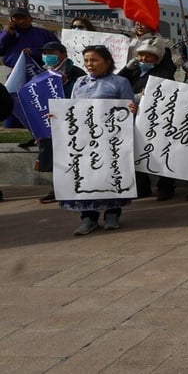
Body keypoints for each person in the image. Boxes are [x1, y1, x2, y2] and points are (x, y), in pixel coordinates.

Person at [58, 45, 137, 235]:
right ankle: (88, 217)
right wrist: (57, 116)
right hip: (84, 138)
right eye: (86, 60)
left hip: (111, 139)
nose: (89, 64)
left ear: (107, 62)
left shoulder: (120, 82)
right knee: (86, 175)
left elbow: (128, 108)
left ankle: (112, 213)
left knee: (111, 175)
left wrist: (132, 109)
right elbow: (72, 109)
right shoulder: (79, 83)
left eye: (94, 60)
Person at [119, 42, 178, 200]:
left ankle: (165, 188)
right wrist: (126, 69)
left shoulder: (163, 73)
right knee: (137, 152)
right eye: (140, 55)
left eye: (148, 55)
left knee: (160, 152)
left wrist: (141, 96)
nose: (143, 58)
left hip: (156, 120)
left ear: (157, 58)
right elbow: (117, 83)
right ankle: (142, 187)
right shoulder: (134, 71)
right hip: (134, 118)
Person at [35, 41, 86, 203]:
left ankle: (77, 186)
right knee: (54, 156)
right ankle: (58, 188)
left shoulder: (75, 72)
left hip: (71, 119)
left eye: (52, 52)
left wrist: (64, 84)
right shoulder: (43, 72)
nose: (48, 56)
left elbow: (81, 94)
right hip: (51, 120)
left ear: (63, 54)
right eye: (45, 52)